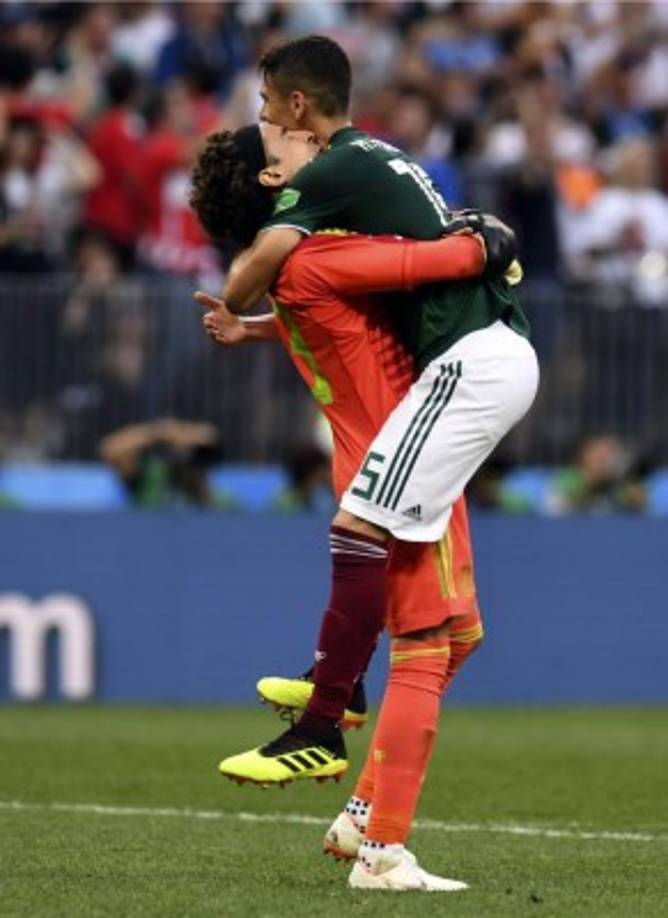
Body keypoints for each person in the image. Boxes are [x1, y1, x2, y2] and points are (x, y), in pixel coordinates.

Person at [204, 36, 538, 800]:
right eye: (272, 132)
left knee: (440, 634)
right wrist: (486, 240)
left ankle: (340, 704)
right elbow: (436, 261)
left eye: (272, 114)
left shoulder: (307, 261)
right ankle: (350, 767)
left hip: (381, 447)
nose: (279, 128)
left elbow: (306, 308)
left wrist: (244, 326)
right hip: (411, 436)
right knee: (437, 640)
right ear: (275, 184)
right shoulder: (318, 252)